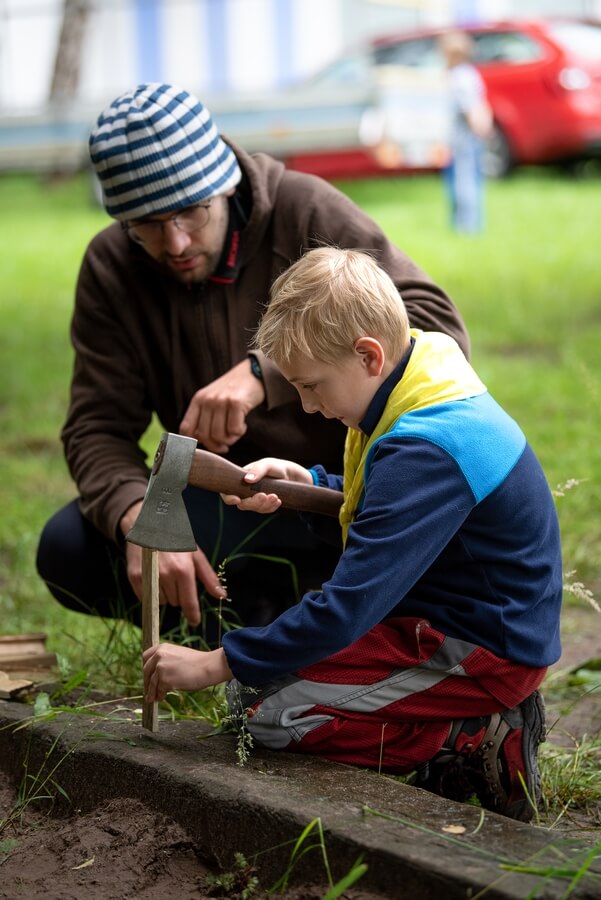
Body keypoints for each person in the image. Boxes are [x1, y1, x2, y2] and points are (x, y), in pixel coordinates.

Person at [35, 83, 470, 642]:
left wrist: (267, 374)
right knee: (69, 547)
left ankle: (303, 617)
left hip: (342, 498)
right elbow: (96, 427)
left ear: (225, 183)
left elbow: (434, 329)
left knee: (417, 559)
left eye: (192, 211)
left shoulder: (305, 210)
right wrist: (142, 517)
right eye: (146, 224)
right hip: (225, 501)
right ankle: (242, 621)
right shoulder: (111, 267)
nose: (175, 242)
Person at [143, 247, 562, 822]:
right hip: (442, 617)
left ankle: (474, 736)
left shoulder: (429, 447)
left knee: (265, 714)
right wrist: (309, 481)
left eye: (312, 387)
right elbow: (396, 501)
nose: (310, 408)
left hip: (481, 649)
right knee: (257, 689)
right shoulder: (420, 375)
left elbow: (345, 607)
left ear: (368, 355)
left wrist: (217, 661)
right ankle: (453, 725)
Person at [439, 30, 493, 233]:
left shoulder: (460, 76)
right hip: (462, 136)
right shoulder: (468, 73)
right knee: (466, 179)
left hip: (463, 137)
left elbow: (471, 108)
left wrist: (479, 127)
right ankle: (463, 223)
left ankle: (466, 226)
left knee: (464, 181)